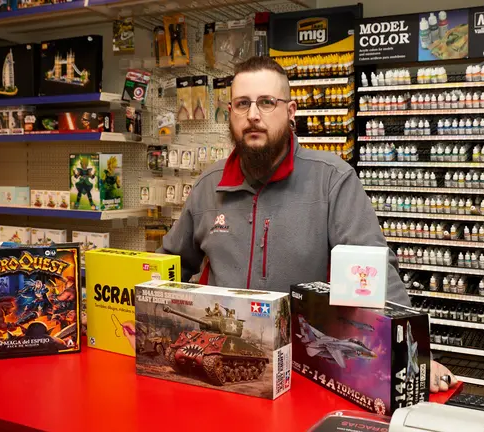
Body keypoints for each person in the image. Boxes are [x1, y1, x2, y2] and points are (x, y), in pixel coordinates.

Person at [160, 56, 457, 392]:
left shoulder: (332, 180)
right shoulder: (207, 187)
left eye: (267, 102)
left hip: (310, 369)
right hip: (221, 373)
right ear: (230, 111)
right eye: (242, 104)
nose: (253, 115)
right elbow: (170, 263)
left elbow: (372, 272)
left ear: (290, 112)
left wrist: (411, 356)